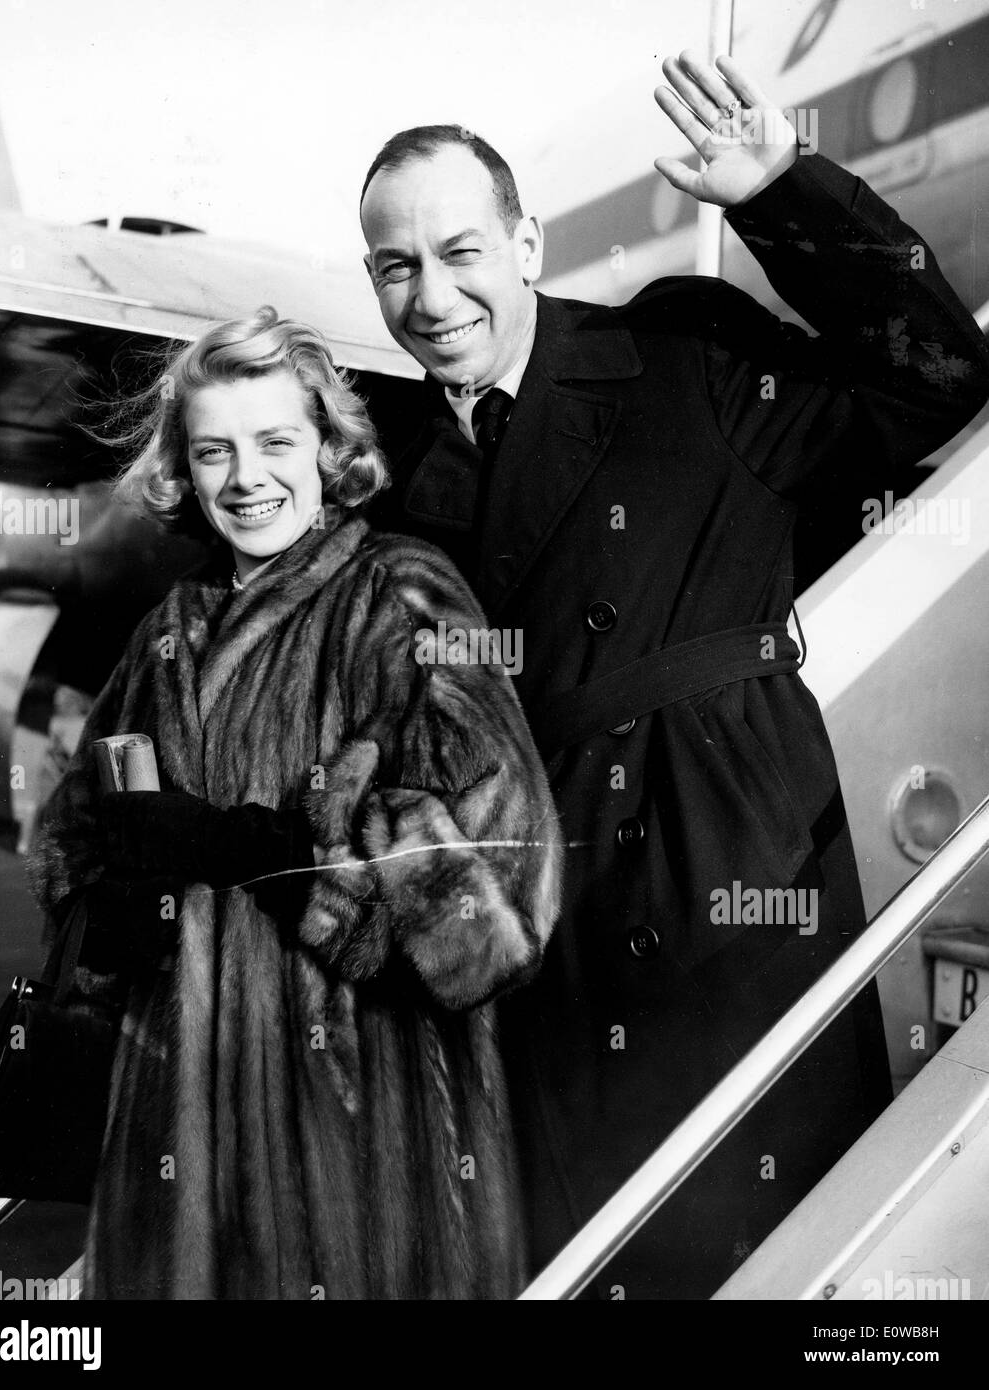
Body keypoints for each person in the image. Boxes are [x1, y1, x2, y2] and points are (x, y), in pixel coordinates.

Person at [359, 51, 989, 1298]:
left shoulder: (684, 365)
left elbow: (939, 379)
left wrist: (785, 195)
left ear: (527, 242)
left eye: (461, 251)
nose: (432, 296)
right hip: (545, 934)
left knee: (775, 1241)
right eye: (396, 265)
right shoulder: (399, 487)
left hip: (731, 871)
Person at [26, 308, 562, 1300]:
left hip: (355, 1142)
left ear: (329, 446)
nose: (246, 478)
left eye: (275, 442)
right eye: (214, 451)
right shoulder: (167, 633)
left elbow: (501, 892)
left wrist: (261, 851)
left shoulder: (403, 594)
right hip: (170, 1136)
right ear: (184, 471)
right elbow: (68, 843)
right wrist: (112, 897)